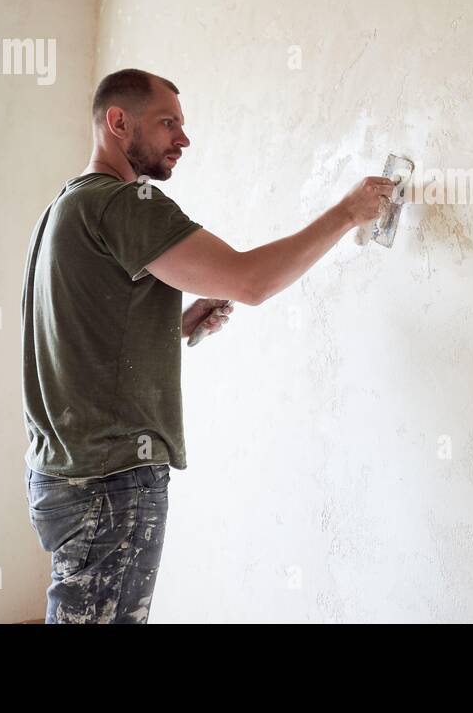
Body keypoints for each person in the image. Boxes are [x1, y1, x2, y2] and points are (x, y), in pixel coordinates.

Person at [21, 67, 394, 623]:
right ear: (118, 123)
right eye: (168, 123)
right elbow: (251, 281)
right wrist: (347, 212)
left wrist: (173, 323)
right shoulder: (125, 203)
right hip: (111, 482)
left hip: (65, 474)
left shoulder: (66, 208)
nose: (183, 139)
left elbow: (79, 337)